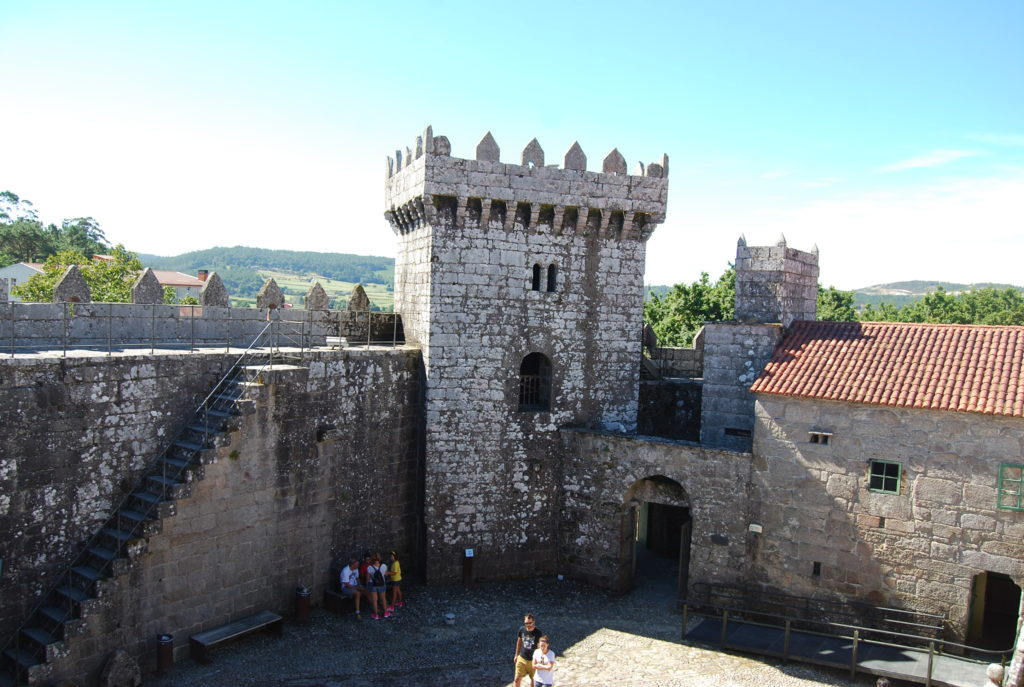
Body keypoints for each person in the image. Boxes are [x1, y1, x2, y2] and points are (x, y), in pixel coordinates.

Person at [514, 613, 543, 687]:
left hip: (532, 660)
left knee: (533, 681)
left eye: (530, 623)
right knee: (517, 679)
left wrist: (540, 660)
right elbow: (519, 642)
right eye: (526, 623)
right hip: (522, 658)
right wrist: (516, 655)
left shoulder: (538, 633)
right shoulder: (522, 630)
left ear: (534, 622)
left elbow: (540, 647)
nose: (528, 625)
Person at [366, 553, 390, 619]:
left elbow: (368, 578)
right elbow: (385, 574)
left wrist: (367, 586)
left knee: (374, 600)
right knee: (383, 598)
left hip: (373, 584)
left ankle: (376, 615)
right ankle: (385, 613)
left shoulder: (369, 568)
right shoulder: (384, 566)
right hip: (382, 584)